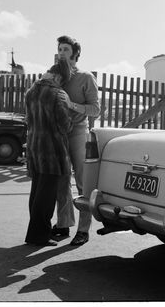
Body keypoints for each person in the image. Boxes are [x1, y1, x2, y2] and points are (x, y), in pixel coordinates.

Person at [52, 35, 100, 246]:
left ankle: (83, 229)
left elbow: (96, 109)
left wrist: (72, 106)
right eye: (59, 49)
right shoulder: (56, 75)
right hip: (58, 132)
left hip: (79, 132)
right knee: (61, 180)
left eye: (65, 49)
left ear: (75, 53)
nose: (61, 52)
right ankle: (63, 224)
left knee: (82, 181)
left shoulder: (86, 77)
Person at [24, 60, 73, 246]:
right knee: (46, 197)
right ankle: (38, 237)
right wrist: (72, 123)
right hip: (52, 151)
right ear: (59, 77)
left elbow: (29, 119)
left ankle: (36, 233)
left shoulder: (31, 92)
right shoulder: (57, 94)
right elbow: (64, 125)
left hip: (34, 147)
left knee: (37, 192)